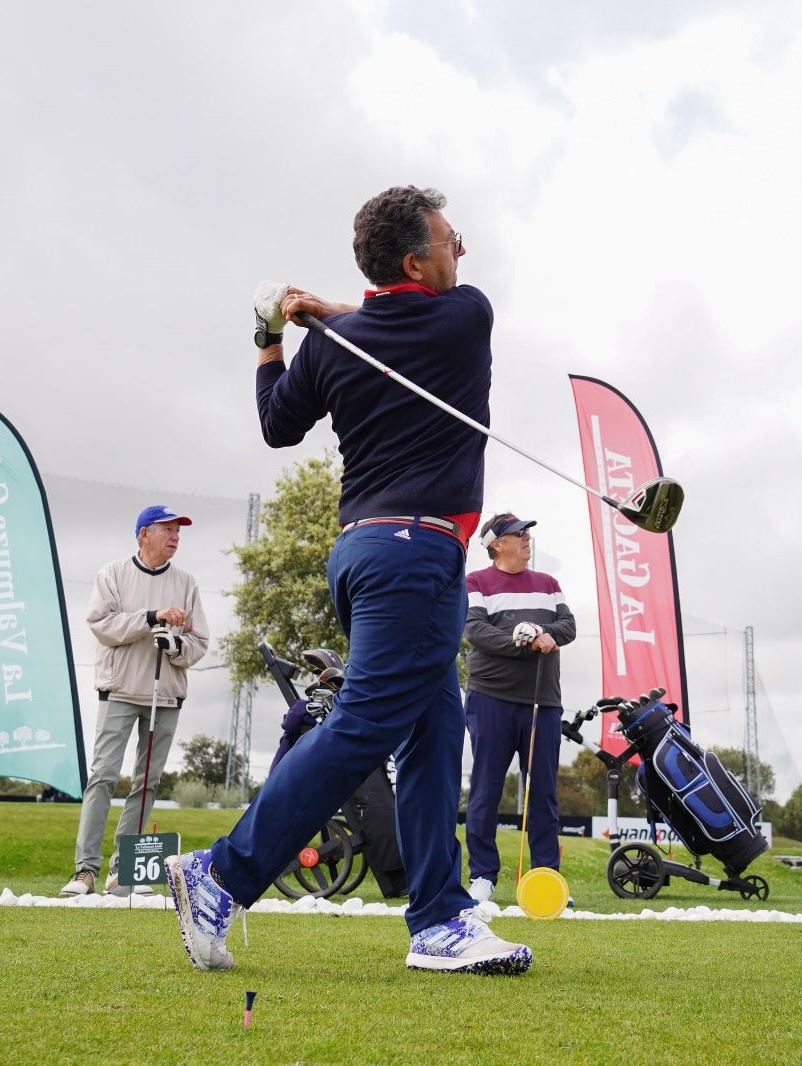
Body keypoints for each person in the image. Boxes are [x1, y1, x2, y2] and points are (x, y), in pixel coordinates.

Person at [166, 185, 532, 975]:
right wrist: (329, 315)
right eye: (449, 240)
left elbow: (276, 424)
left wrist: (269, 339)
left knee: (436, 732)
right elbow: (391, 324)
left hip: (365, 555)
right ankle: (219, 875)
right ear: (416, 260)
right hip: (415, 556)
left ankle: (439, 919)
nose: (460, 251)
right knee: (363, 727)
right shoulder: (467, 314)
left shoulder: (339, 343)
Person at [61, 504, 210, 897]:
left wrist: (174, 645)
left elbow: (200, 642)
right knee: (103, 776)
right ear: (144, 533)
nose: (176, 536)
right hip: (120, 690)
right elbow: (102, 625)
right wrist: (150, 618)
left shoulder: (187, 582)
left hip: (165, 695)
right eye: (168, 529)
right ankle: (85, 871)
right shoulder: (112, 574)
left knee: (147, 783)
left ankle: (123, 871)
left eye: (179, 531)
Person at [462, 512, 576, 903]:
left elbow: (568, 626)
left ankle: (546, 878)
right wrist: (522, 641)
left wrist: (546, 634)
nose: (527, 538)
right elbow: (476, 630)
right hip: (490, 698)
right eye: (518, 533)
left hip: (542, 701)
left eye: (527, 532)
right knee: (486, 788)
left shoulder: (549, 584)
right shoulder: (477, 582)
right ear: (496, 543)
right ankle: (483, 877)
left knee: (542, 791)